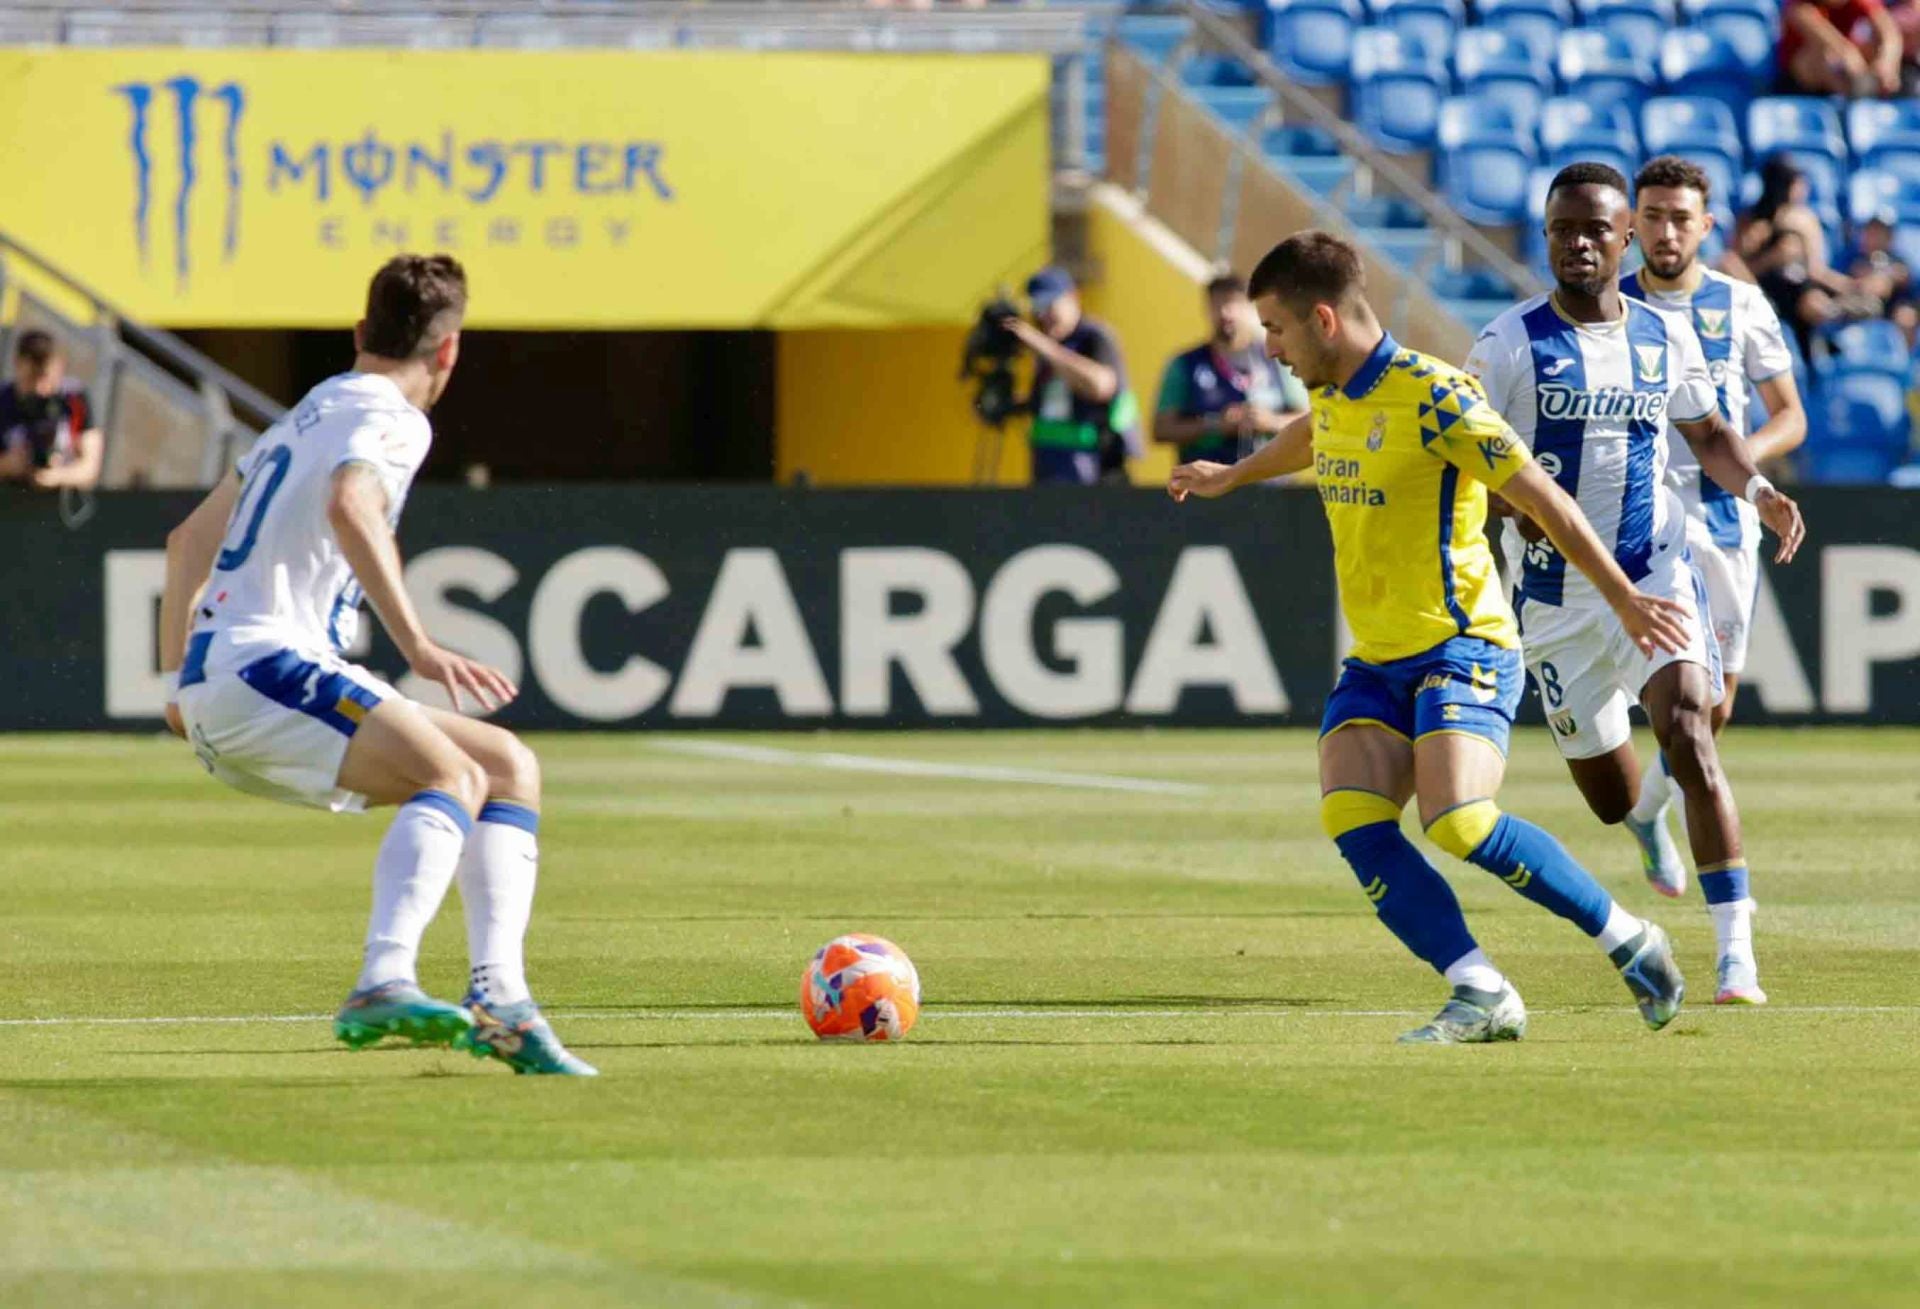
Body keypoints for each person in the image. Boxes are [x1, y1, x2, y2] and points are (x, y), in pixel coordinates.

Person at [1169, 230, 1690, 1045]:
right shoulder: (1335, 389)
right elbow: (1314, 433)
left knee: (1458, 821)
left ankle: (1630, 937)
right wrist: (1232, 474)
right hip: (1379, 656)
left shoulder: (1438, 395)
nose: (1267, 347)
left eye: (1274, 329)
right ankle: (1480, 987)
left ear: (1323, 319)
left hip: (1464, 645)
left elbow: (1542, 497)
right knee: (1352, 815)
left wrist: (1623, 598)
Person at [158, 253, 594, 1076]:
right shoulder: (394, 417)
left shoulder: (306, 412)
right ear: (450, 351)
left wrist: (178, 680)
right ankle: (382, 977)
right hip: (265, 661)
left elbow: (186, 541)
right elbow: (351, 504)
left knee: (505, 766)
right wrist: (420, 645)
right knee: (452, 778)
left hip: (234, 675)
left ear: (361, 333)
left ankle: (501, 999)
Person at [1466, 163, 1806, 1008]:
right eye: (1562, 230)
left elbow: (1714, 432)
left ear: (1623, 241)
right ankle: (1645, 822)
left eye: (1594, 231)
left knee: (1691, 726)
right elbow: (1469, 470)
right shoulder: (1507, 345)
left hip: (1655, 568)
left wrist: (1759, 492)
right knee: (1613, 798)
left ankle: (1737, 956)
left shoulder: (1664, 335)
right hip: (1554, 604)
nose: (1579, 244)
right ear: (1546, 238)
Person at [1622, 156, 1807, 805]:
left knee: (1716, 707)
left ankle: (1648, 810)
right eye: (1652, 218)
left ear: (1707, 225)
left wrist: (1742, 464)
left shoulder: (1742, 302)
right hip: (1637, 524)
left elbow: (1790, 415)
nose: (1666, 232)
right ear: (1631, 224)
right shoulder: (1608, 307)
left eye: (1680, 219)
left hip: (1724, 518)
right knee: (1669, 691)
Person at [1001, 266, 1142, 485]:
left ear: (1072, 297)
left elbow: (1100, 386)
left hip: (1096, 468)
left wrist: (1043, 346)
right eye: (1037, 307)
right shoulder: (1051, 343)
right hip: (1050, 468)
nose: (1042, 315)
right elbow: (1054, 405)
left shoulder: (1094, 336)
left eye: (1049, 305)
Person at [1153, 273, 1309, 466]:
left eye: (1232, 303)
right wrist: (1215, 425)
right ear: (1206, 310)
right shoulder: (1185, 364)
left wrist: (1270, 422)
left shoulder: (1276, 358)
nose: (1225, 313)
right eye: (1216, 305)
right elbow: (1161, 429)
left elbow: (1308, 420)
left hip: (1271, 487)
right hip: (1206, 485)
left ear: (1249, 307)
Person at [0, 329, 104, 491]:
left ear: (59, 368)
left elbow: (91, 467)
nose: (39, 389)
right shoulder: (3, 399)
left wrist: (57, 476)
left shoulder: (74, 398)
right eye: (31, 378)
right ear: (17, 364)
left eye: (46, 379)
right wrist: (7, 464)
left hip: (61, 507)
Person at [1778, 0, 1905, 96]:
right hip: (1800, 85)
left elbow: (1890, 33)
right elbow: (1835, 45)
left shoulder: (1857, 3)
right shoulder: (1799, 7)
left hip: (1847, 74)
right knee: (1825, 57)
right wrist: (1858, 72)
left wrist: (1886, 64)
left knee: (1872, 49)